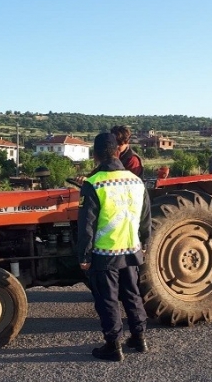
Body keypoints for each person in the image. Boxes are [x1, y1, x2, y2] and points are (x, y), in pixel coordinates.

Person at [76, 132, 152, 362]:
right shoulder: (136, 181)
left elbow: (86, 225)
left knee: (108, 299)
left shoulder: (93, 183)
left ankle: (113, 345)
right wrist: (145, 244)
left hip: (105, 252)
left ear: (95, 154)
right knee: (132, 294)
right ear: (117, 152)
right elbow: (145, 217)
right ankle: (139, 339)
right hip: (131, 249)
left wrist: (84, 255)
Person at [75, 125, 143, 184]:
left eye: (120, 144)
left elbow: (128, 182)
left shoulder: (133, 160)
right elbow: (100, 170)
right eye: (115, 143)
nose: (116, 147)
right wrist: (87, 178)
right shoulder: (111, 156)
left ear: (127, 142)